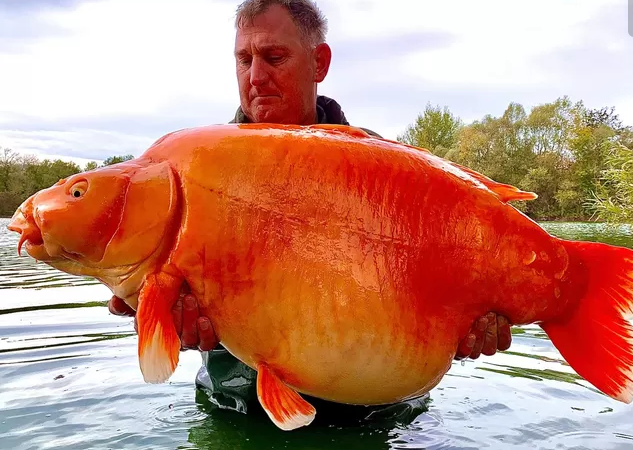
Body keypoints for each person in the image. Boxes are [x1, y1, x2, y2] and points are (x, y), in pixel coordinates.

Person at [108, 0, 512, 425]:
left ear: (319, 62)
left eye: (274, 57)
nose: (256, 77)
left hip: (374, 417)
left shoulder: (390, 172)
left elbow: (440, 298)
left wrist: (469, 328)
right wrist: (164, 318)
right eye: (244, 60)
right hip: (235, 408)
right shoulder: (193, 170)